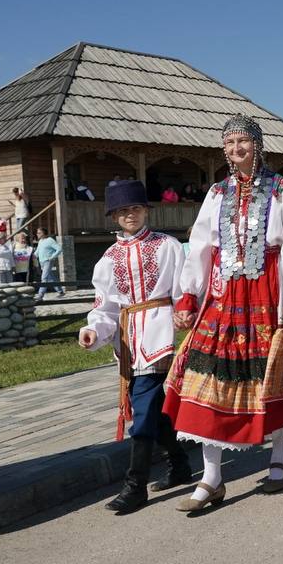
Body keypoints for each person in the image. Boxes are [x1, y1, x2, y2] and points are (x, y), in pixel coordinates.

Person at [164, 115, 283, 511]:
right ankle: (212, 478)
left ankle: (278, 456)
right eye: (228, 143)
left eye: (242, 142)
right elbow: (199, 246)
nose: (234, 149)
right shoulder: (216, 193)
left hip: (267, 291)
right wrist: (188, 295)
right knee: (204, 376)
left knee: (270, 373)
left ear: (257, 145)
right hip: (224, 295)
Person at [79, 180, 193, 513]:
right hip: (129, 343)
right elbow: (105, 308)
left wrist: (183, 317)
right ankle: (180, 464)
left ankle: (135, 485)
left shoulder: (167, 245)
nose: (130, 214)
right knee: (154, 411)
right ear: (113, 216)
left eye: (136, 208)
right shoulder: (107, 258)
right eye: (123, 210)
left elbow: (183, 288)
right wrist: (93, 330)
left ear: (146, 210)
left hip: (161, 337)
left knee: (142, 412)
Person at [34, 227, 64, 300]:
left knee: (44, 278)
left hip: (48, 261)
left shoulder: (50, 240)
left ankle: (40, 295)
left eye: (39, 233)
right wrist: (31, 257)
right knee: (51, 277)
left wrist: (52, 257)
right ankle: (60, 291)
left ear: (44, 233)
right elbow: (37, 252)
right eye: (37, 233)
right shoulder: (40, 241)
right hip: (42, 262)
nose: (37, 234)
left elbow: (59, 249)